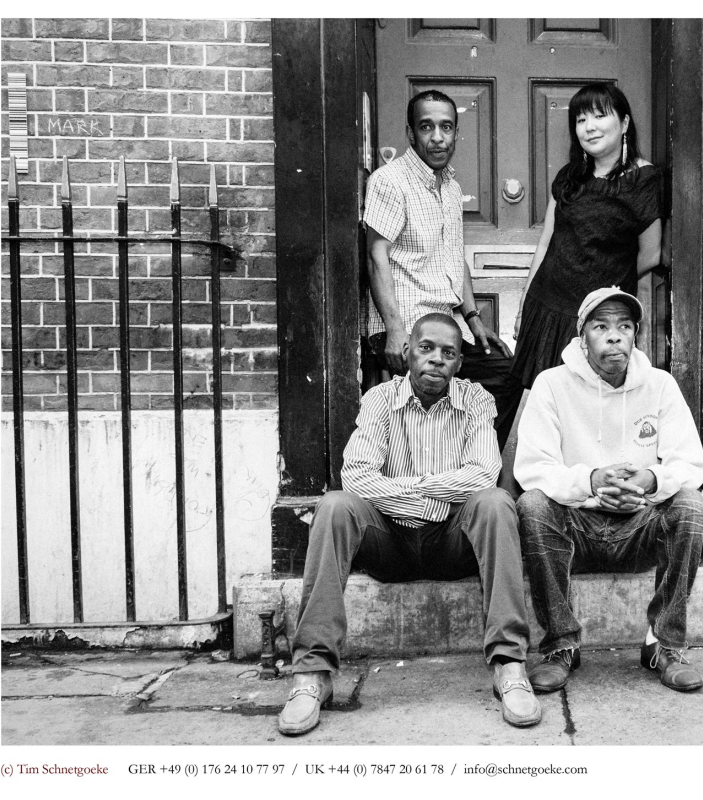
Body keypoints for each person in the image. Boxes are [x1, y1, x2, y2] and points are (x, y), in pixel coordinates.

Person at [278, 313, 541, 735]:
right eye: (426, 348)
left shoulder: (476, 400)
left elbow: (483, 475)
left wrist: (408, 489)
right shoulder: (380, 399)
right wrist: (432, 494)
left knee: (496, 503)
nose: (436, 359)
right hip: (391, 542)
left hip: (451, 542)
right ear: (408, 352)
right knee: (335, 506)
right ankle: (312, 672)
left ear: (459, 363)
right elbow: (357, 476)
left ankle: (509, 664)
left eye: (448, 353)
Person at [514, 287, 703, 694]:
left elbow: (691, 464)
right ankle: (561, 645)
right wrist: (592, 480)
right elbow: (532, 468)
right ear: (582, 337)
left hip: (639, 527)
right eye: (601, 327)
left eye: (624, 326)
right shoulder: (551, 384)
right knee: (532, 504)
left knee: (692, 505)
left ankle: (663, 645)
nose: (614, 336)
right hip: (577, 529)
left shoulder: (660, 385)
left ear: (636, 334)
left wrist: (649, 480)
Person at [363, 89, 522, 447]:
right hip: (406, 324)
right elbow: (376, 255)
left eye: (446, 127)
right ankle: (436, 466)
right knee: (430, 394)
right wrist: (394, 330)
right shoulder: (390, 181)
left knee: (508, 371)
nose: (437, 137)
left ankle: (472, 461)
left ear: (455, 133)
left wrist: (474, 320)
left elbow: (454, 257)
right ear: (410, 133)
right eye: (426, 127)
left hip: (448, 324)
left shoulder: (451, 187)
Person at [510, 82, 663, 391]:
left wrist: (601, 281)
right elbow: (547, 242)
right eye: (581, 120)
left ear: (624, 123)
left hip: (599, 317)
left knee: (595, 403)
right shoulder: (570, 177)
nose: (589, 127)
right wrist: (525, 302)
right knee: (542, 400)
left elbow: (651, 254)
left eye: (599, 116)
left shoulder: (643, 179)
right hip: (546, 308)